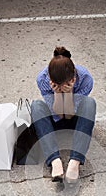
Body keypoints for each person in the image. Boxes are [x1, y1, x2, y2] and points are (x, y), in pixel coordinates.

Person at [31, 46, 96, 183]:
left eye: (65, 84)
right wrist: (57, 93)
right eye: (57, 85)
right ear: (50, 77)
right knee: (36, 106)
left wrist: (68, 92)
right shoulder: (42, 79)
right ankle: (55, 161)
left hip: (76, 120)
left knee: (89, 103)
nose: (61, 86)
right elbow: (60, 115)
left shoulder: (85, 79)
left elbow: (69, 115)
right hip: (55, 120)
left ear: (73, 76)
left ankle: (75, 162)